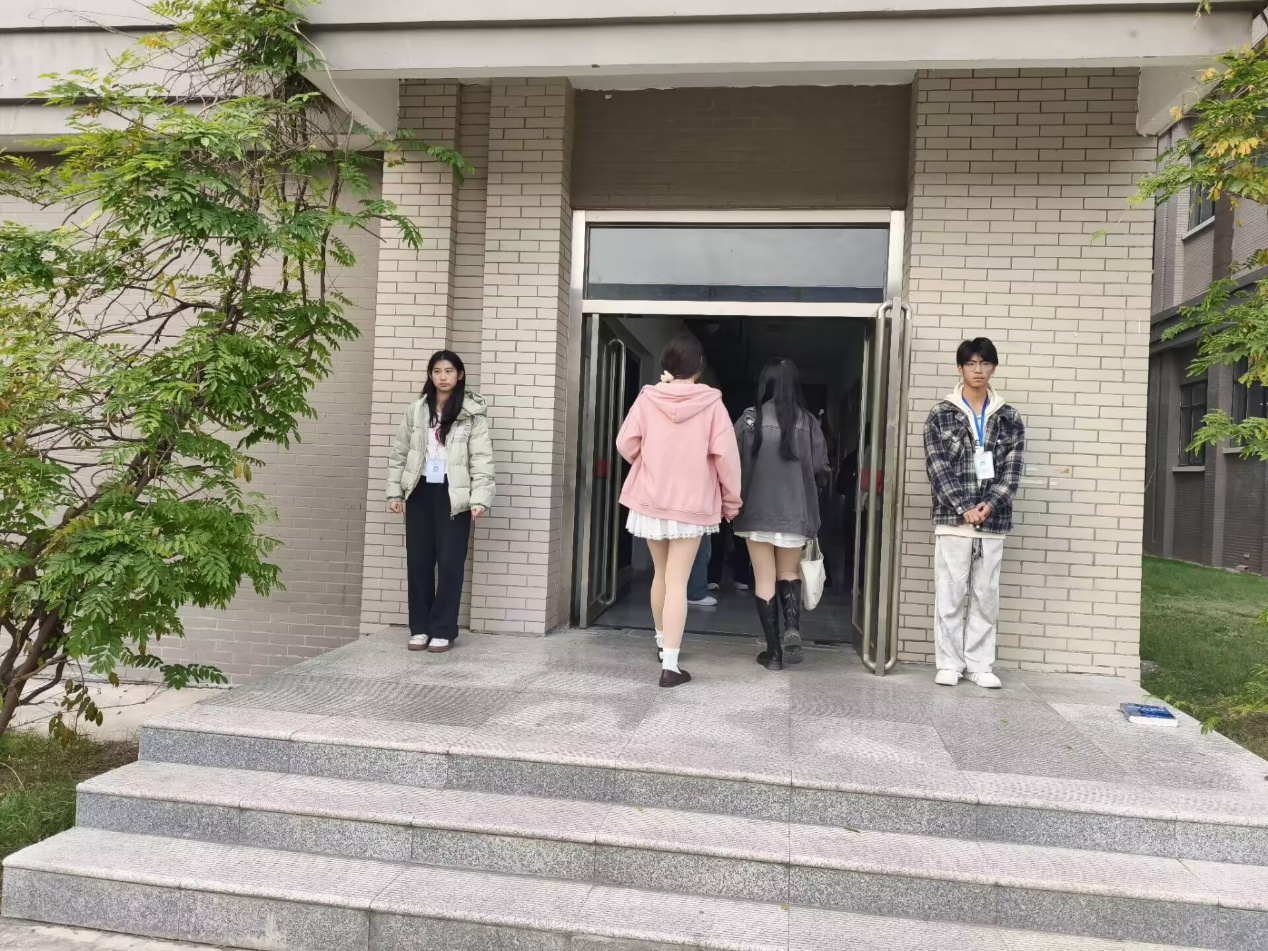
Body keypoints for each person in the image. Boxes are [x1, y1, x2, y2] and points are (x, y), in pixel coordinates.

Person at [616, 333, 742, 687]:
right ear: (699, 367)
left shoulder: (648, 399)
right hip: (691, 504)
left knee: (661, 575)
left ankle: (661, 643)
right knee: (678, 581)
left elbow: (625, 443)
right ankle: (670, 665)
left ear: (666, 365)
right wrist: (731, 502)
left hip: (652, 499)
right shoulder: (712, 405)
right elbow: (727, 460)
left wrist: (649, 462)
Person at [923, 337, 1025, 689]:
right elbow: (937, 467)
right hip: (953, 521)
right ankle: (949, 664)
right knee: (950, 595)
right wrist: (964, 506)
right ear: (960, 368)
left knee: (986, 595)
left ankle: (980, 665)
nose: (978, 370)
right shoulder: (941, 413)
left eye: (984, 363)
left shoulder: (1009, 417)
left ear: (993, 367)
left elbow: (1013, 470)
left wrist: (989, 503)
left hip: (993, 521)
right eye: (971, 363)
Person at [387, 350, 494, 654]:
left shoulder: (471, 413)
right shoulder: (416, 410)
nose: (443, 377)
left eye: (448, 371)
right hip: (420, 490)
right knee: (419, 562)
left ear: (460, 375)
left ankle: (443, 629)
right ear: (430, 375)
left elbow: (482, 459)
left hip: (454, 493)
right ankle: (420, 628)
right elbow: (400, 452)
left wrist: (480, 498)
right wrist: (395, 492)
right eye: (437, 371)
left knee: (449, 563)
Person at [733, 359, 829, 670]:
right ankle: (792, 628)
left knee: (764, 577)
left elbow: (730, 462)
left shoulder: (750, 420)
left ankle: (774, 653)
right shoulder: (809, 422)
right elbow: (820, 468)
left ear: (766, 384)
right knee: (788, 572)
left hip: (756, 512)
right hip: (794, 512)